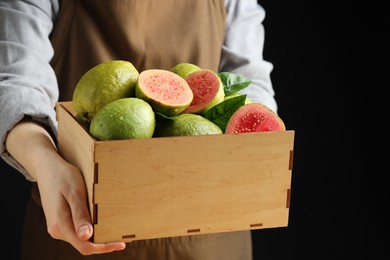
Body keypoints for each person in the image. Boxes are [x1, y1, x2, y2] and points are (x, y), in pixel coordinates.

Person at [0, 0, 277, 259]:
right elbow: (17, 80)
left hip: (213, 232)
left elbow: (250, 84)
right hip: (74, 218)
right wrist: (44, 161)